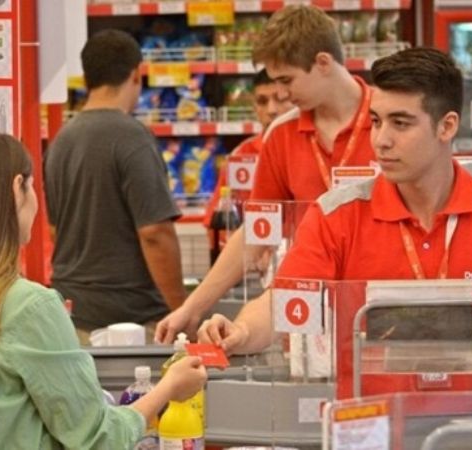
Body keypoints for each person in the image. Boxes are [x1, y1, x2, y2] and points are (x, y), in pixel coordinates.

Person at [196, 48, 472, 396]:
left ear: (446, 126)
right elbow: (285, 301)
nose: (380, 140)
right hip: (370, 424)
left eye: (400, 123)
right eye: (376, 121)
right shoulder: (335, 214)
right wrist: (239, 331)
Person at [0, 129, 207, 449]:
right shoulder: (28, 308)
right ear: (16, 189)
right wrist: (168, 388)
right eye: (32, 187)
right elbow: (97, 439)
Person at [156, 5, 377, 343]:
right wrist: (193, 306)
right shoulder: (281, 134)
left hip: (377, 302)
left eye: (287, 81)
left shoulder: (387, 122)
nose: (282, 95)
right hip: (303, 309)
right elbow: (257, 231)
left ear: (322, 63)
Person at [45, 30, 187, 340]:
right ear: (137, 74)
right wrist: (181, 312)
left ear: (86, 79)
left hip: (72, 317)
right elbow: (155, 234)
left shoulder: (60, 141)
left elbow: (55, 230)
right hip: (131, 322)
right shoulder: (132, 137)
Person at [201, 69, 293, 229]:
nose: (271, 110)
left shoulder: (311, 148)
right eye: (262, 101)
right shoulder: (241, 155)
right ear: (254, 107)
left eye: (280, 99)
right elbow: (216, 222)